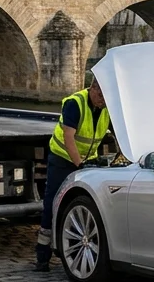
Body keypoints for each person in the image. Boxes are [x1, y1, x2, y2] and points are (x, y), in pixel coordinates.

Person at [35, 76, 109, 271]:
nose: (102, 100)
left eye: (106, 96)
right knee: (53, 203)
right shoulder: (75, 103)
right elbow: (69, 138)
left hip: (87, 159)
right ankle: (42, 256)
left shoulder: (107, 107)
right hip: (62, 159)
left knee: (89, 203)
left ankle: (79, 245)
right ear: (92, 88)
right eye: (100, 95)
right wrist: (79, 165)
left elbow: (118, 133)